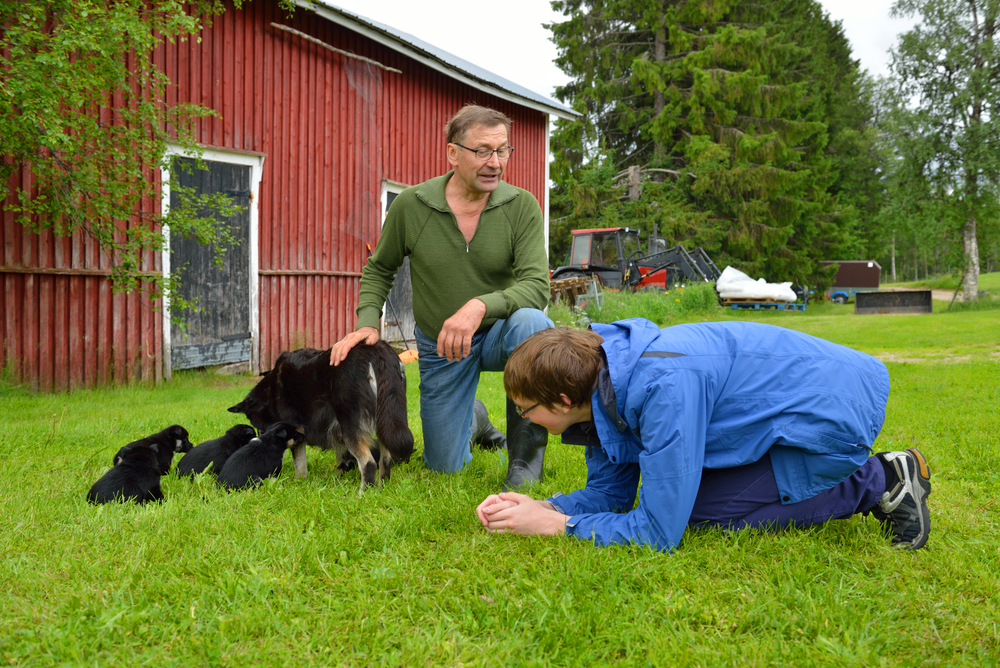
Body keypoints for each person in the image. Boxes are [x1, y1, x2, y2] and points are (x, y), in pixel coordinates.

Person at [475, 320, 932, 551]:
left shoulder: (660, 387)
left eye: (524, 409)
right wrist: (547, 506)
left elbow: (658, 531)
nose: (523, 418)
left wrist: (561, 527)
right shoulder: (599, 385)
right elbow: (611, 494)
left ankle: (880, 479)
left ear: (559, 399)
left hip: (829, 419)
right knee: (683, 501)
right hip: (806, 405)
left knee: (698, 515)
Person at [330, 105, 552, 490]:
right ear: (453, 153)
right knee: (445, 466)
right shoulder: (413, 206)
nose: (495, 162)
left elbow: (536, 285)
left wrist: (479, 305)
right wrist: (367, 322)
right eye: (483, 151)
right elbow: (380, 268)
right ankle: (475, 418)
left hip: (500, 333)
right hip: (443, 347)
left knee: (535, 324)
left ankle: (524, 462)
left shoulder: (521, 206)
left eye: (502, 151)